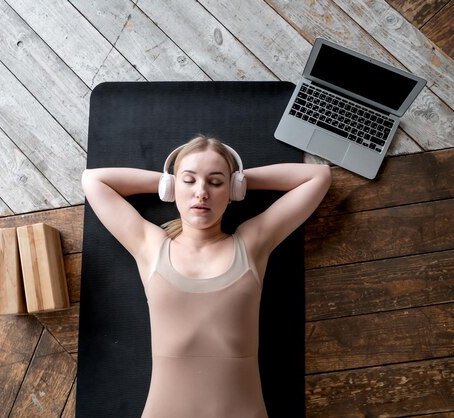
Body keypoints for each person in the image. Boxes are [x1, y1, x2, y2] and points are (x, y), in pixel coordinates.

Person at [81, 135, 331, 418]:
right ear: (175, 186)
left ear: (232, 190)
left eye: (215, 182)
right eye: (189, 181)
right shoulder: (151, 246)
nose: (201, 193)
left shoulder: (251, 244)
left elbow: (318, 177)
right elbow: (93, 181)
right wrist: (165, 183)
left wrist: (241, 180)